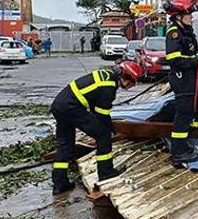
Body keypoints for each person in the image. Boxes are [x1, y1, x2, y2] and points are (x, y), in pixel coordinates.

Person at [50, 61, 144, 195]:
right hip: (71, 108)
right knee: (103, 135)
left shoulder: (105, 75)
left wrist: (104, 123)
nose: (132, 86)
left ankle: (59, 184)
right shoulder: (109, 85)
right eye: (133, 82)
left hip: (60, 106)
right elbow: (102, 113)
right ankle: (106, 172)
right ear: (126, 77)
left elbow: (95, 106)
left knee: (65, 144)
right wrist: (110, 128)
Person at [163, 0, 198, 166]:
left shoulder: (185, 31)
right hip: (182, 78)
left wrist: (196, 58)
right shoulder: (175, 33)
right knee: (183, 113)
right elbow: (173, 58)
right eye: (189, 14)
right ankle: (179, 152)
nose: (191, 17)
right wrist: (194, 61)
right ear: (178, 15)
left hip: (188, 77)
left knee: (188, 112)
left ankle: (182, 144)